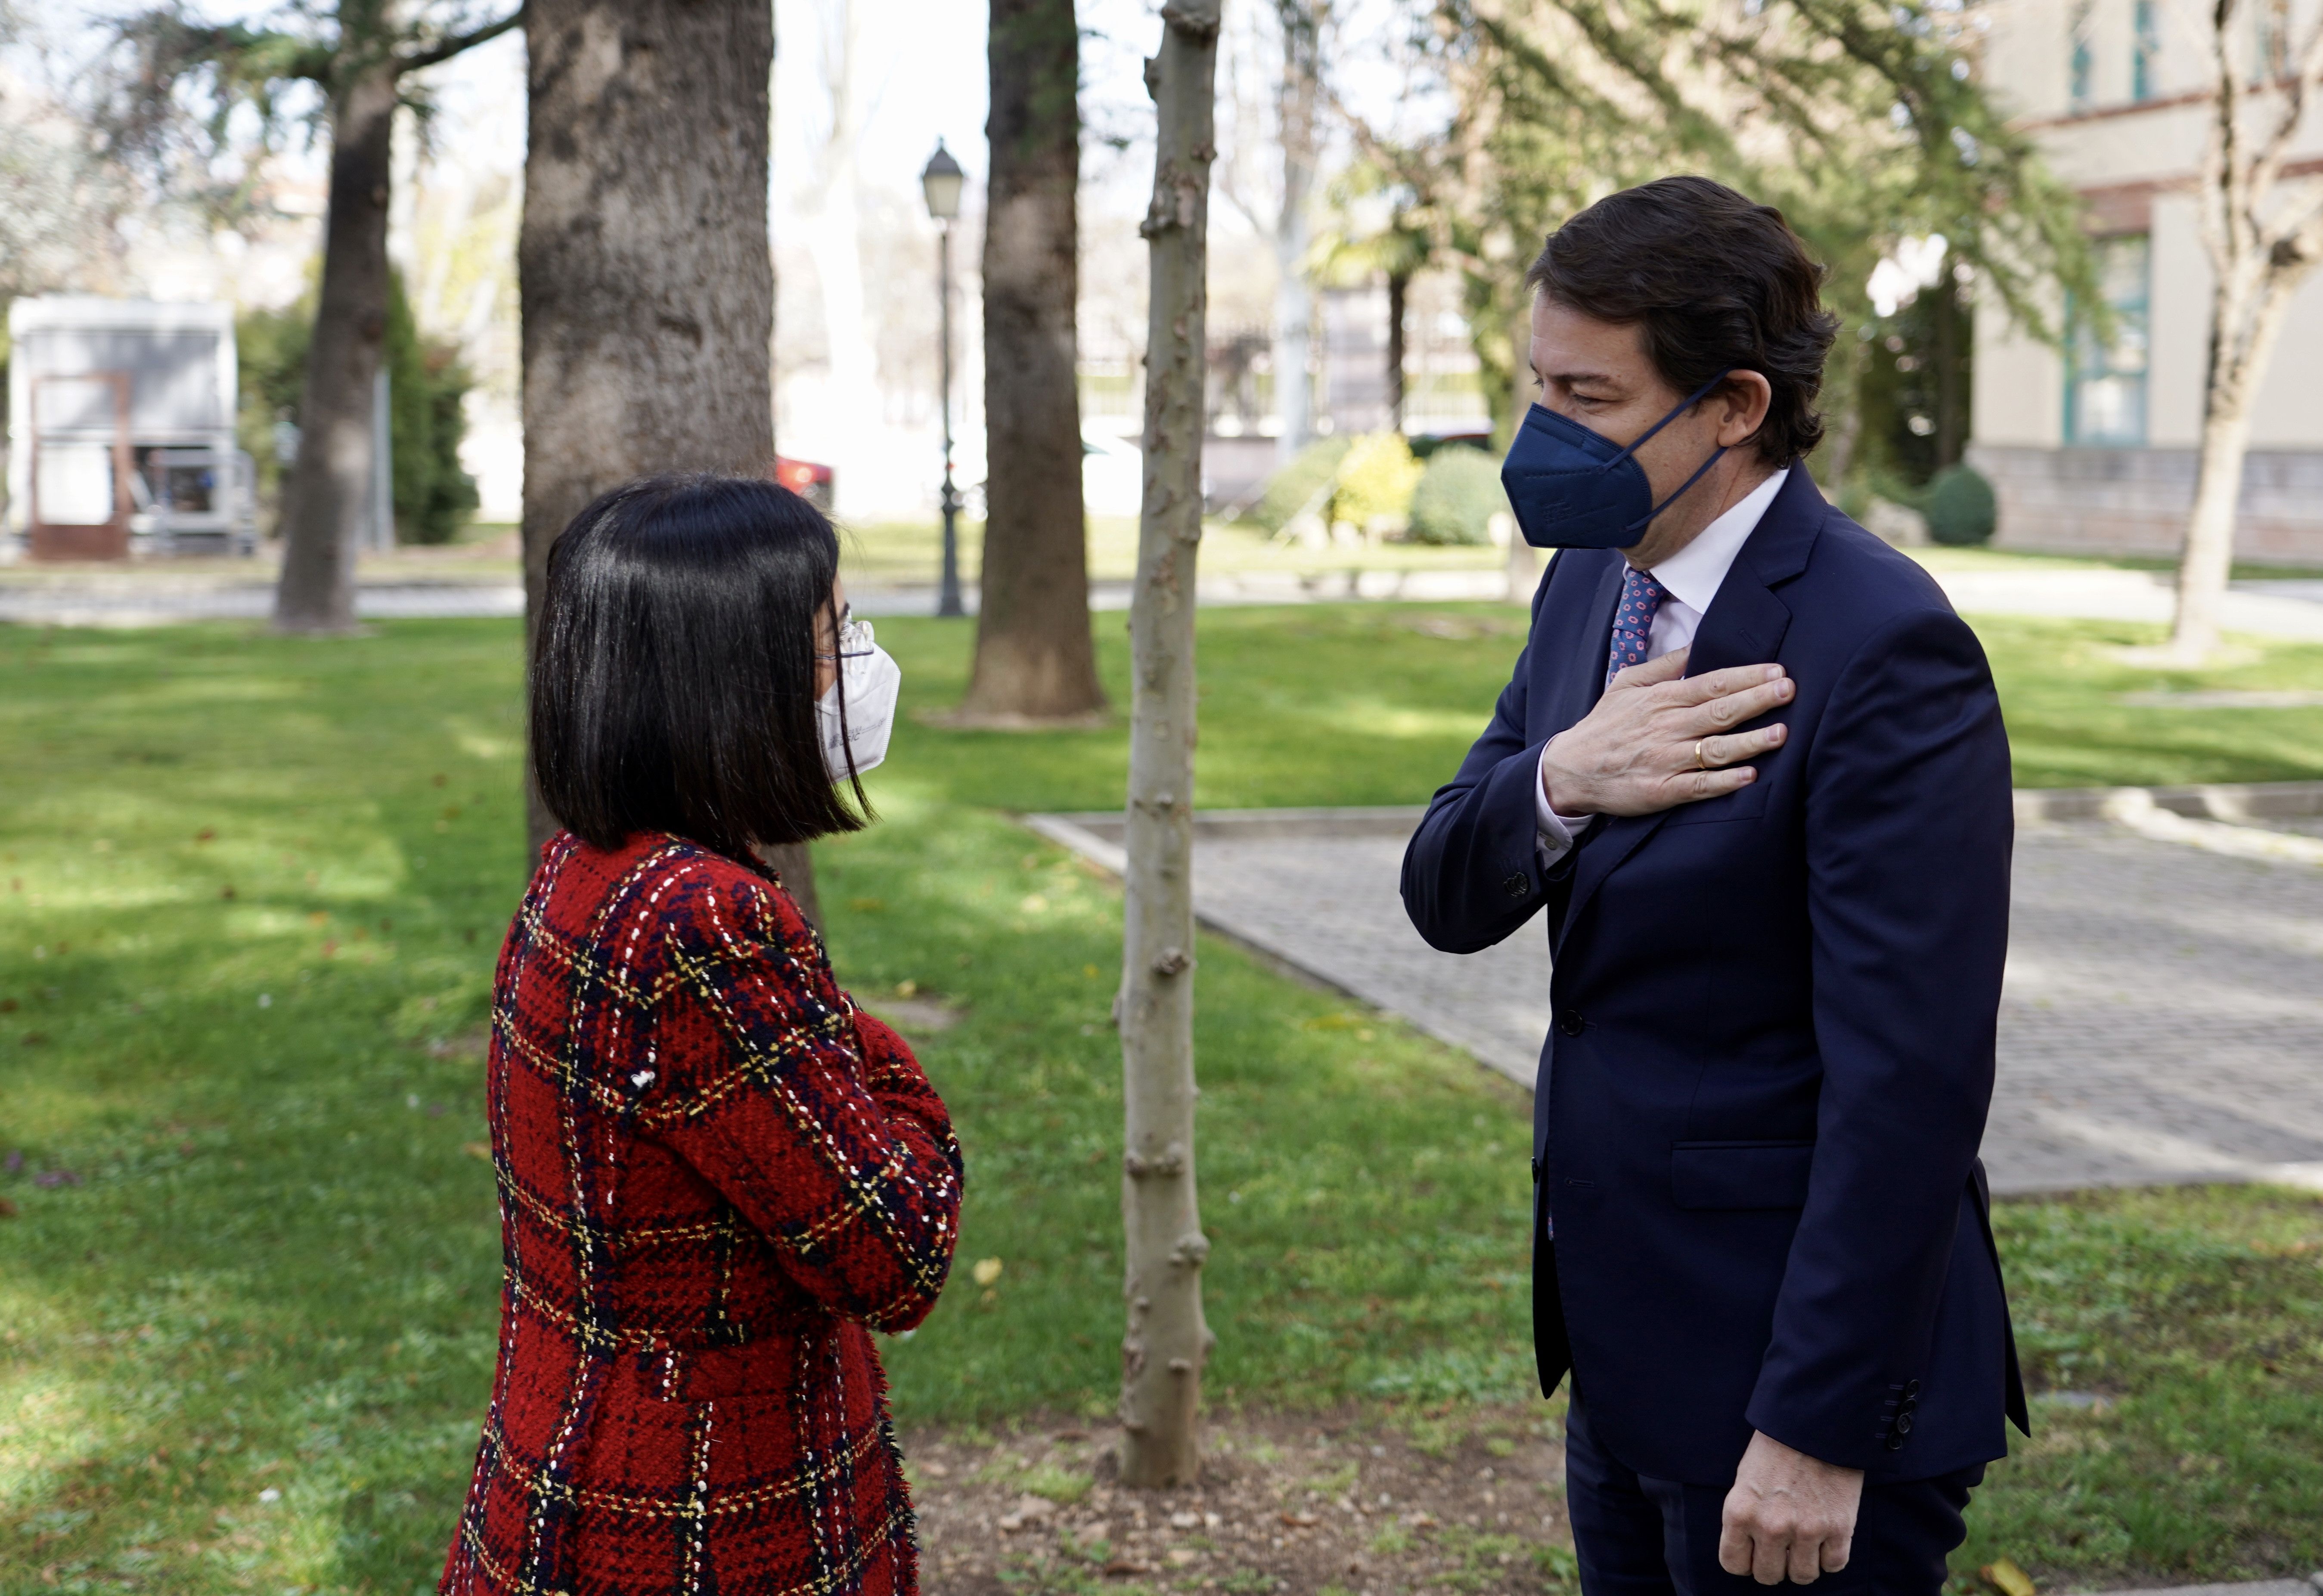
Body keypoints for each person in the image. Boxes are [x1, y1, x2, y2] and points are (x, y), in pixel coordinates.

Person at [1400, 177, 2028, 1595]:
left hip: (1792, 1392)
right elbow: (1443, 887)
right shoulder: (1588, 584)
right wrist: (1563, 776)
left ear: (1734, 404)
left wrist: (1813, 1427)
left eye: (1587, 394)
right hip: (1626, 1353)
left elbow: (1910, 1083)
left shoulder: (1885, 645)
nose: (1541, 434)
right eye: (1535, 386)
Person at [439, 474, 961, 1596]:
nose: (858, 667)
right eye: (830, 642)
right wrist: (878, 1064)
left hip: (577, 1465)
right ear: (730, 682)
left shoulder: (588, 870)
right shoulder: (706, 928)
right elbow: (898, 1250)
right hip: (697, 1517)